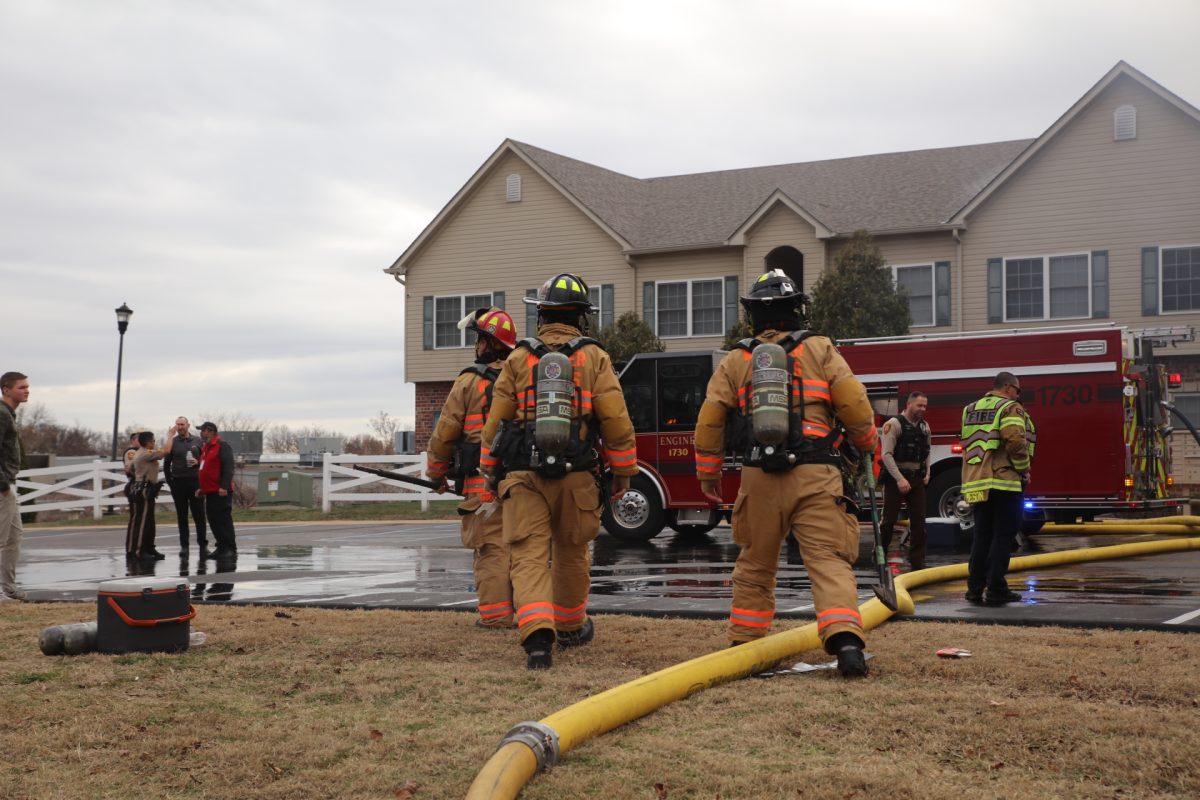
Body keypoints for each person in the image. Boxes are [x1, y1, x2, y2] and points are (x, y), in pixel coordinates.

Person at [693, 269, 878, 678]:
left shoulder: (737, 359)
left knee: (755, 563)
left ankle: (745, 643)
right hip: (817, 471)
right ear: (796, 310)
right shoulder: (820, 348)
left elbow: (711, 417)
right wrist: (868, 445)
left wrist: (708, 472)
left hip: (758, 475)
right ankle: (847, 643)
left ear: (753, 315)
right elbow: (854, 404)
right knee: (828, 560)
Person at [480, 273, 638, 670]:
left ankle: (537, 634)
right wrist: (623, 472)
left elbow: (495, 426)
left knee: (528, 555)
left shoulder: (518, 358)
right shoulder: (594, 357)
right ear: (581, 317)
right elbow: (616, 419)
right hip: (577, 474)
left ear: (542, 315)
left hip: (523, 475)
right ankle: (569, 627)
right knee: (571, 551)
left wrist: (489, 473)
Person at [427, 307, 518, 629]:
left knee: (491, 550)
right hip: (524, 483)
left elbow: (445, 432)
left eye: (479, 339)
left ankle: (497, 617)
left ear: (489, 343)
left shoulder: (469, 381)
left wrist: (436, 474)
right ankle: (532, 613)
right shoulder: (524, 375)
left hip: (483, 488)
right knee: (526, 550)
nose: (476, 346)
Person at [960, 371, 1035, 605]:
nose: (1018, 395)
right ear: (1008, 387)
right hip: (1004, 481)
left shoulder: (970, 409)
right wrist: (1023, 469)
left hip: (978, 481)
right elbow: (1015, 442)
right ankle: (996, 588)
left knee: (982, 536)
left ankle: (974, 589)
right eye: (1018, 390)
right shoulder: (1010, 407)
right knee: (1003, 535)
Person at [879, 391, 931, 571]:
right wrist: (900, 479)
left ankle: (917, 561)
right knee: (888, 521)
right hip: (895, 478)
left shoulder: (924, 426)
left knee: (919, 522)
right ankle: (879, 555)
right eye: (919, 405)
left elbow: (927, 451)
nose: (923, 409)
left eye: (925, 406)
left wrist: (927, 473)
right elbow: (886, 455)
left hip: (916, 477)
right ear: (909, 404)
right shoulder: (894, 424)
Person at [0, 372, 30, 603]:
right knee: (2, 538)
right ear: (6, 390)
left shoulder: (9, 414)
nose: (26, 391)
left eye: (27, 387)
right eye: (21, 387)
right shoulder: (1, 414)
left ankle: (9, 588)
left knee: (14, 537)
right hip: (2, 486)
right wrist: (2, 485)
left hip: (7, 484)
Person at [164, 416, 207, 554]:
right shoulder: (172, 442)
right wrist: (170, 483)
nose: (180, 427)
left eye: (182, 424)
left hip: (195, 483)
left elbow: (206, 460)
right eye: (178, 424)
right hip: (178, 483)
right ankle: (184, 546)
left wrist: (198, 463)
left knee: (199, 515)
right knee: (182, 516)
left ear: (188, 425)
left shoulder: (198, 441)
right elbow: (166, 464)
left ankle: (203, 545)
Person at [127, 431, 170, 561]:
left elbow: (129, 469)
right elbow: (166, 451)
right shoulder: (146, 453)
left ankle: (147, 548)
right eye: (153, 441)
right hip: (144, 489)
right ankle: (139, 551)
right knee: (143, 522)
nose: (154, 443)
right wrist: (170, 436)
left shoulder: (141, 452)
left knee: (148, 521)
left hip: (142, 487)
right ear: (148, 442)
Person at [196, 421, 237, 558]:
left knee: (223, 520)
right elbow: (205, 469)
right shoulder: (206, 448)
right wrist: (202, 488)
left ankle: (229, 548)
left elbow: (229, 467)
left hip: (220, 491)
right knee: (213, 521)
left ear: (211, 431)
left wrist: (224, 486)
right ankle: (221, 547)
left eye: (203, 430)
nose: (201, 433)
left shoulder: (222, 446)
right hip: (210, 492)